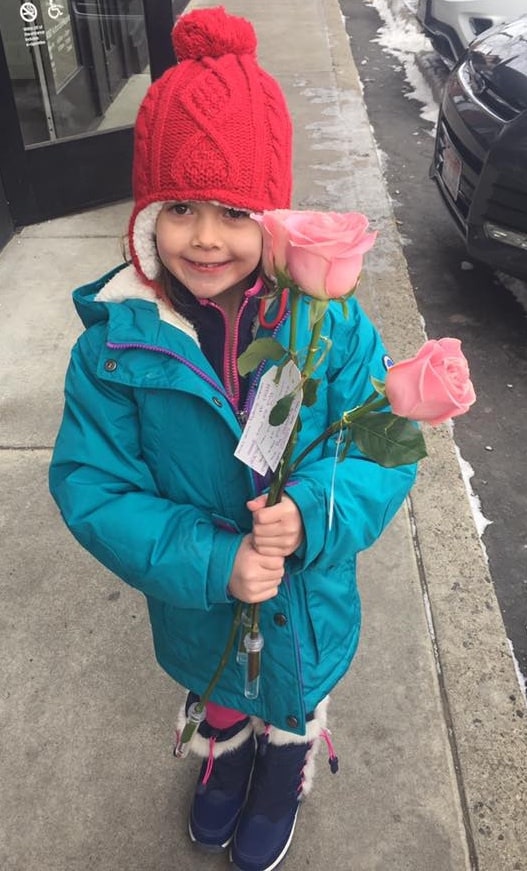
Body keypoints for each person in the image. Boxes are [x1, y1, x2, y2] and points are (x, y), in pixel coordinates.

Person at [49, 7, 417, 871]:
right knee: (218, 684)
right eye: (179, 207)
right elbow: (92, 485)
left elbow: (380, 437)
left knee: (289, 691)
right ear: (146, 217)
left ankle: (283, 758)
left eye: (234, 209)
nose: (206, 236)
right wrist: (212, 561)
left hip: (301, 594)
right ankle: (225, 751)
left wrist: (315, 517)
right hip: (198, 595)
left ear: (275, 217)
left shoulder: (327, 320)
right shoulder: (113, 346)